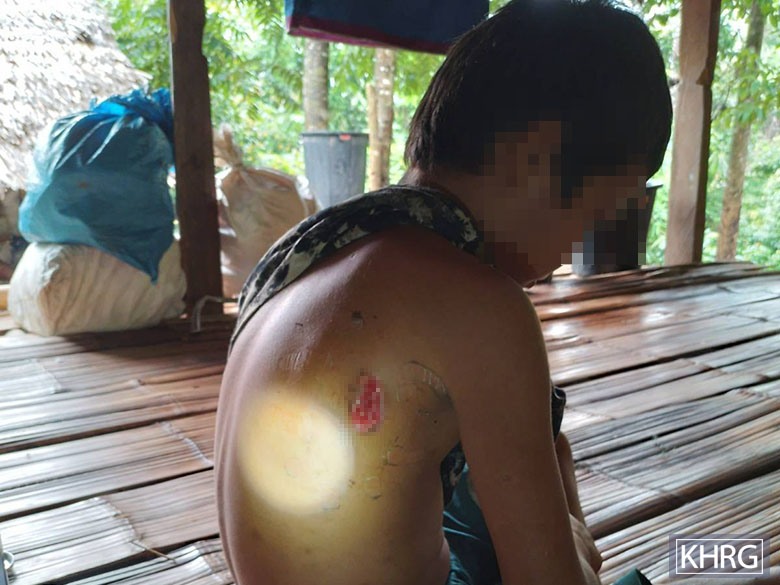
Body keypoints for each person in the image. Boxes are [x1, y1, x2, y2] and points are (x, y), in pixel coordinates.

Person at [214, 2, 774, 584]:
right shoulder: (481, 307)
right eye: (596, 215)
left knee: (542, 441)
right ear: (534, 158)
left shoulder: (313, 248)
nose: (569, 256)